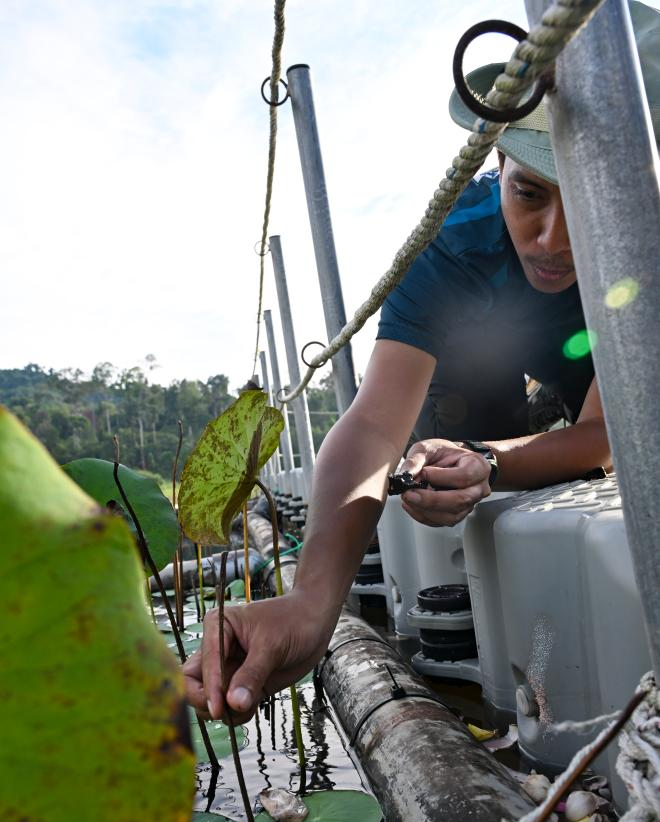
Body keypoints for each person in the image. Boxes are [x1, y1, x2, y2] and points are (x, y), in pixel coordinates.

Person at [185, 1, 660, 725]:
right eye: (529, 193)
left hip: (604, 358)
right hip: (491, 363)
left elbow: (606, 434)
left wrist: (492, 460)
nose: (552, 241)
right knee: (445, 434)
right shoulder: (453, 248)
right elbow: (376, 424)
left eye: (589, 200)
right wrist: (313, 601)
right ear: (497, 163)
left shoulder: (645, 244)